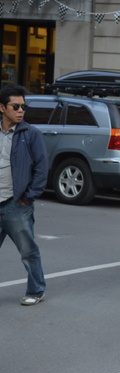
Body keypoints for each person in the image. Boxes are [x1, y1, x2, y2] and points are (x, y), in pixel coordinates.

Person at [0, 84, 49, 306]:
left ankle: (36, 290)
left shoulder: (31, 134)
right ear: (2, 108)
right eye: (15, 106)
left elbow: (41, 168)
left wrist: (27, 197)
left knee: (28, 252)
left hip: (16, 204)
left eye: (23, 106)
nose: (21, 111)